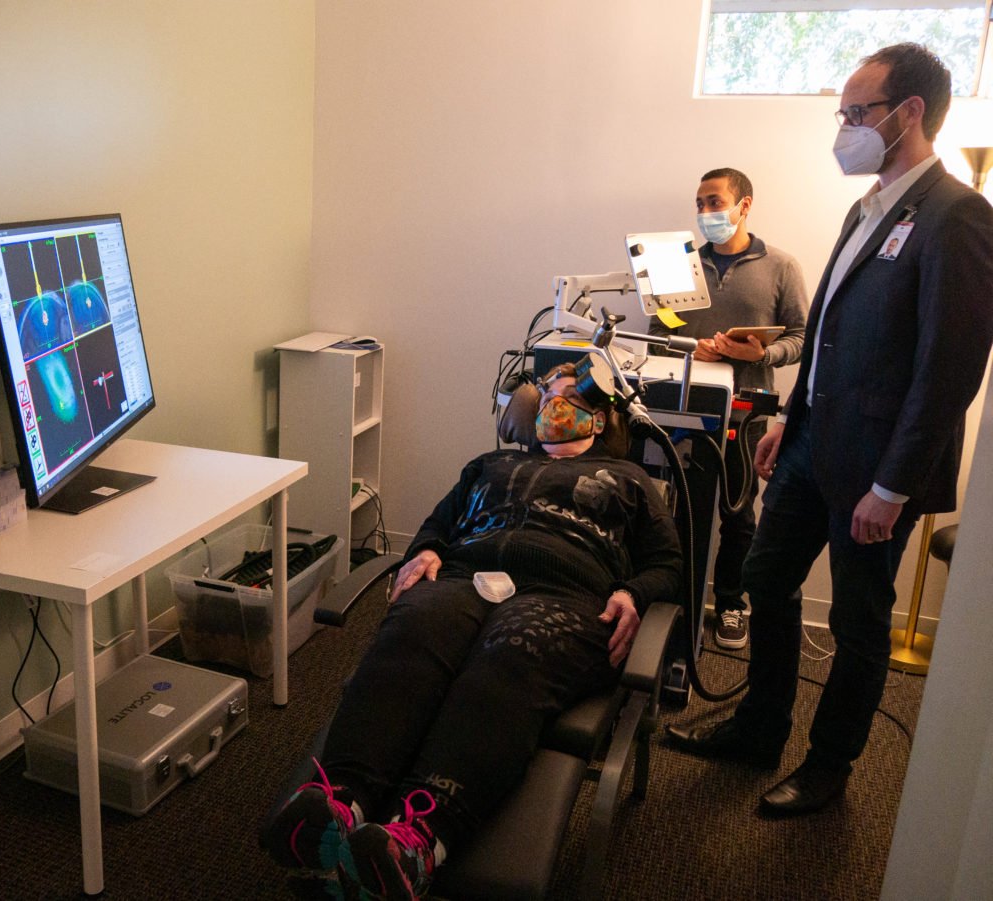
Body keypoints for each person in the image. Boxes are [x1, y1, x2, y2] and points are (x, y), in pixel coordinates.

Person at [666, 43, 993, 817]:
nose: (843, 127)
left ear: (909, 113)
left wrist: (892, 486)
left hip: (879, 467)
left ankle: (829, 764)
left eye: (856, 112)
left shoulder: (958, 217)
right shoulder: (867, 207)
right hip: (813, 446)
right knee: (765, 579)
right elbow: (828, 336)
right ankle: (759, 727)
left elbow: (949, 371)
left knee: (857, 621)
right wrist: (789, 420)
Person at [263, 364, 682, 899]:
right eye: (548, 394)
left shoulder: (632, 481)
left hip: (567, 596)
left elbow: (669, 566)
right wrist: (428, 550)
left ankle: (418, 841)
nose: (554, 402)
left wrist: (632, 593)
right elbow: (437, 525)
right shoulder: (490, 464)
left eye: (568, 397)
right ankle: (337, 802)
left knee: (505, 664)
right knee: (410, 635)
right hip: (466, 577)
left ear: (598, 419)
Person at [649, 167, 808, 649]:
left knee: (738, 515)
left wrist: (762, 354)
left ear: (744, 206)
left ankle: (733, 603)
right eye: (699, 204)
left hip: (748, 414)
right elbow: (657, 335)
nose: (705, 213)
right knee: (682, 512)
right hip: (686, 408)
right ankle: (677, 601)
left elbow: (803, 338)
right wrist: (688, 348)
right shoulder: (680, 267)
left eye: (715, 202)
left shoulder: (781, 267)